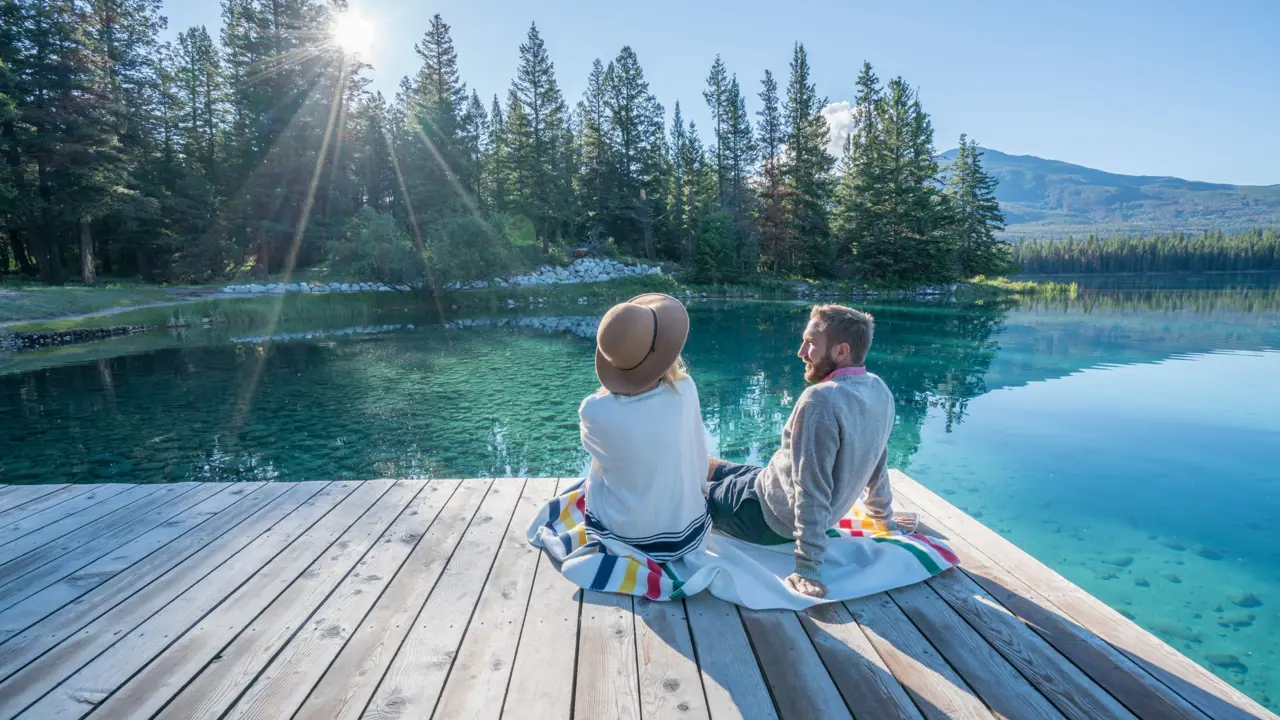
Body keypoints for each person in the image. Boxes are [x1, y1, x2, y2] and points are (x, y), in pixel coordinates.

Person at [705, 304, 908, 598]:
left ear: (841, 351)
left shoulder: (820, 401)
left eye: (811, 343)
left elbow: (810, 487)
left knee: (683, 492)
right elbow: (876, 458)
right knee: (709, 465)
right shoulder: (878, 389)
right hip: (771, 482)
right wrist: (883, 519)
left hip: (763, 516)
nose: (801, 352)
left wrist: (807, 567)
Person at [578, 293, 712, 562]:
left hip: (629, 536)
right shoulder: (685, 389)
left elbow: (604, 460)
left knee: (597, 474)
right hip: (688, 532)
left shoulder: (594, 410)